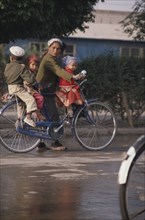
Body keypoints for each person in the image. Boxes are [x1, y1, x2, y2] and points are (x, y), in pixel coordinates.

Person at [36, 38, 82, 151]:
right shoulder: (49, 59)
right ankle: (55, 143)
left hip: (46, 89)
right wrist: (72, 77)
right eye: (53, 48)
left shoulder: (52, 58)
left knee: (44, 117)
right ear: (49, 48)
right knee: (54, 115)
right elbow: (58, 70)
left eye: (58, 49)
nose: (56, 50)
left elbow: (59, 70)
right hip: (44, 90)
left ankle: (41, 144)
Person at [4, 46, 39, 127]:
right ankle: (28, 117)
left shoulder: (7, 66)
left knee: (21, 104)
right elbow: (30, 80)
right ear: (22, 59)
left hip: (10, 88)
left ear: (11, 58)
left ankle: (19, 120)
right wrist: (33, 78)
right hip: (18, 88)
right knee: (30, 100)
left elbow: (6, 76)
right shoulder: (21, 67)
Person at [24, 54, 45, 121]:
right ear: (28, 65)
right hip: (29, 90)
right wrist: (37, 85)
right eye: (33, 65)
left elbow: (35, 81)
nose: (34, 67)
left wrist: (39, 85)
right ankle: (37, 112)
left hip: (31, 89)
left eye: (36, 65)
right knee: (40, 98)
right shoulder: (28, 73)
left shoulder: (33, 73)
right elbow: (30, 81)